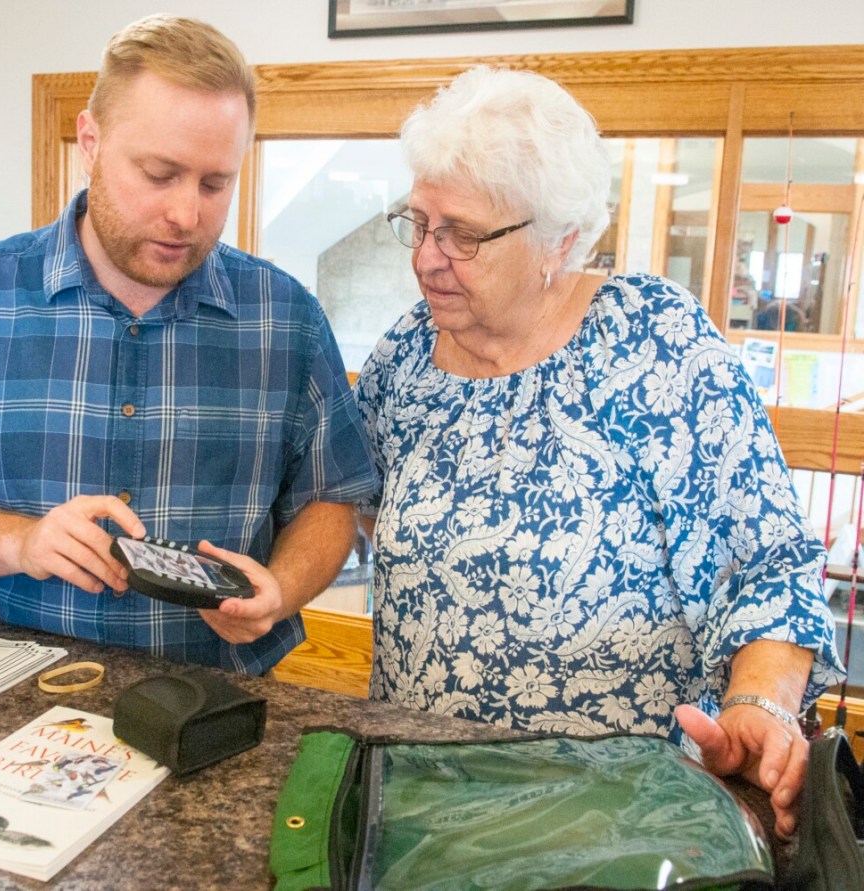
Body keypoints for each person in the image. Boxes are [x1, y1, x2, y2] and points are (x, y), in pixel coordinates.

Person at [353, 65, 843, 838]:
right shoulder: (404, 359)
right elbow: (361, 510)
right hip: (419, 803)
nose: (425, 257)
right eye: (418, 222)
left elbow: (770, 563)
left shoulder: (659, 347)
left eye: (463, 235)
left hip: (614, 821)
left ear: (562, 240)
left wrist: (757, 702)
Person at [0, 15, 376, 676]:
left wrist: (282, 586)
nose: (186, 214)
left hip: (218, 700)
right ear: (90, 140)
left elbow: (328, 499)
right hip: (14, 701)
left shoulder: (288, 319)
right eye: (160, 173)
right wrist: (23, 542)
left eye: (214, 183)